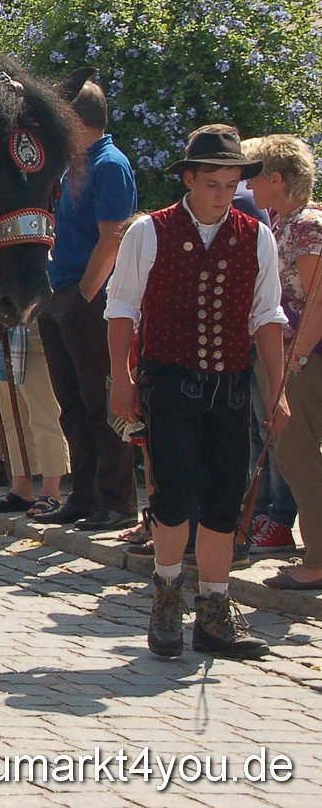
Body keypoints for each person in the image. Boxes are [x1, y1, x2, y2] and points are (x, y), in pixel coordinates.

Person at [107, 125, 287, 659]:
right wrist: (122, 378)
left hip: (230, 383)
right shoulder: (149, 232)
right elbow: (121, 308)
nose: (222, 195)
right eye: (213, 183)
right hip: (167, 379)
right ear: (189, 179)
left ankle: (214, 608)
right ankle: (167, 597)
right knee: (173, 492)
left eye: (231, 185)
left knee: (224, 496)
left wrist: (277, 389)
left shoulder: (257, 236)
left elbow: (267, 316)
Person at [34, 78, 140, 530]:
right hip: (59, 292)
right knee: (72, 404)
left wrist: (83, 297)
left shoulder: (109, 164)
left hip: (90, 298)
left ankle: (117, 502)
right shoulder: (71, 165)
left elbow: (113, 237)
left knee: (102, 403)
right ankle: (85, 494)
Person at [241, 136, 322, 589]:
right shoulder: (285, 223)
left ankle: (318, 562)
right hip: (295, 359)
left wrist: (295, 361)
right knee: (294, 458)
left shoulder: (306, 226)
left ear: (276, 179)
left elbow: (317, 301)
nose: (247, 186)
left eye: (252, 176)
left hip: (306, 363)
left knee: (300, 459)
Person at [0, 325, 70, 514]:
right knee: (12, 419)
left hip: (35, 332)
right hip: (6, 336)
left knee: (44, 417)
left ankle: (51, 491)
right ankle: (21, 489)